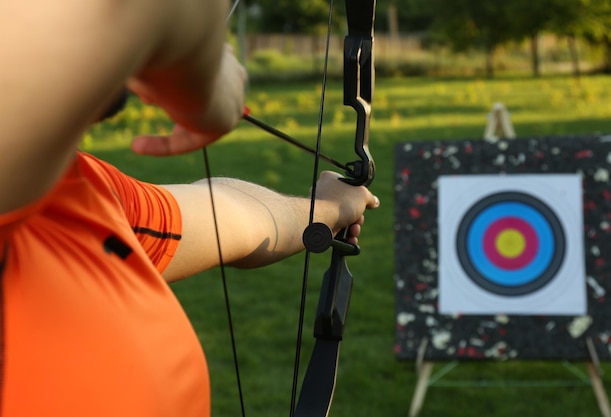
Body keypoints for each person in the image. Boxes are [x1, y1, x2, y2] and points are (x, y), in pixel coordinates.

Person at [0, 1, 379, 416]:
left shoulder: (81, 195)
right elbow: (131, 12)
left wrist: (324, 208)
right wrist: (211, 89)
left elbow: (230, 214)